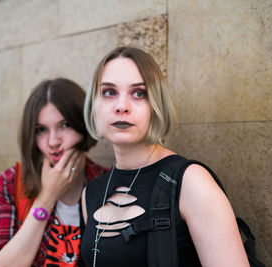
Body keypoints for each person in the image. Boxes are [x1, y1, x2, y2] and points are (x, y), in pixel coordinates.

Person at [80, 47, 249, 266]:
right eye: (109, 92)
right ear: (94, 105)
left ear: (156, 104)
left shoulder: (190, 182)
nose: (122, 106)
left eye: (139, 93)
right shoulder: (91, 193)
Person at [0, 78, 108, 267]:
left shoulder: (107, 182)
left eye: (65, 125)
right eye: (41, 130)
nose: (53, 141)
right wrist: (46, 198)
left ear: (83, 125)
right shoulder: (11, 182)